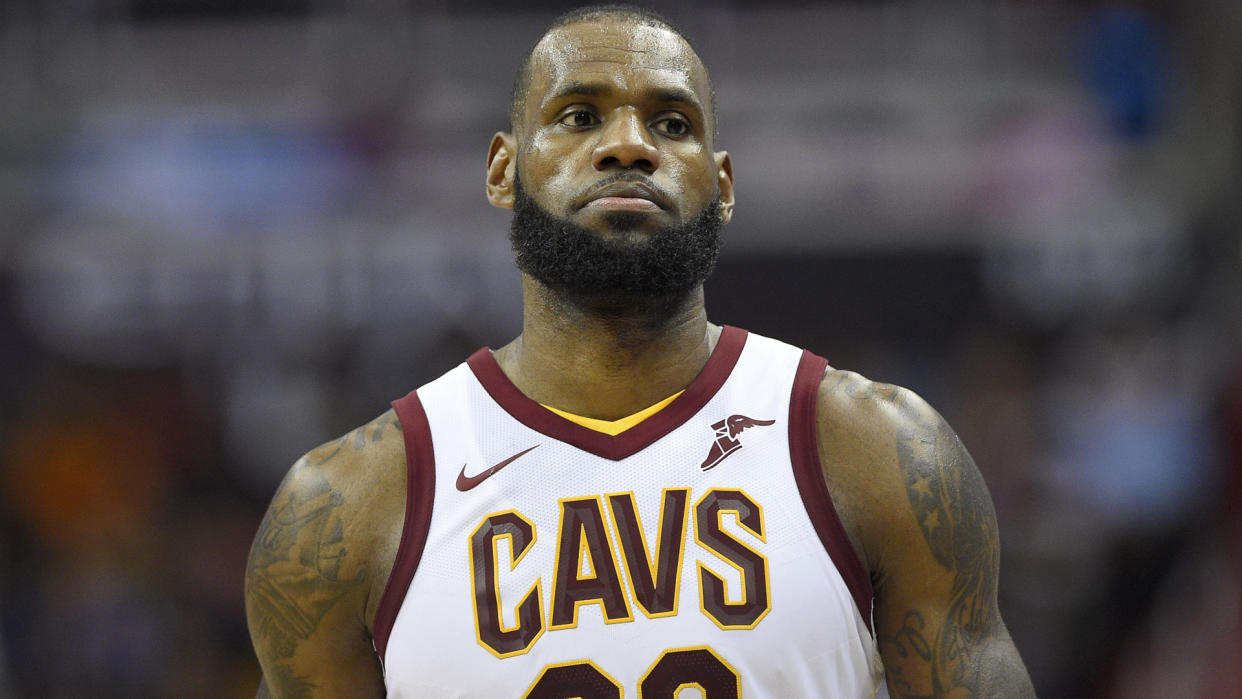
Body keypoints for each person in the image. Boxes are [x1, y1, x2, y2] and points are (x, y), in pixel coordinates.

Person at [244, 5, 1037, 697]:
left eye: (671, 123)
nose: (627, 146)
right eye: (579, 116)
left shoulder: (875, 449)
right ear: (501, 169)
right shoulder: (349, 504)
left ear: (721, 185)